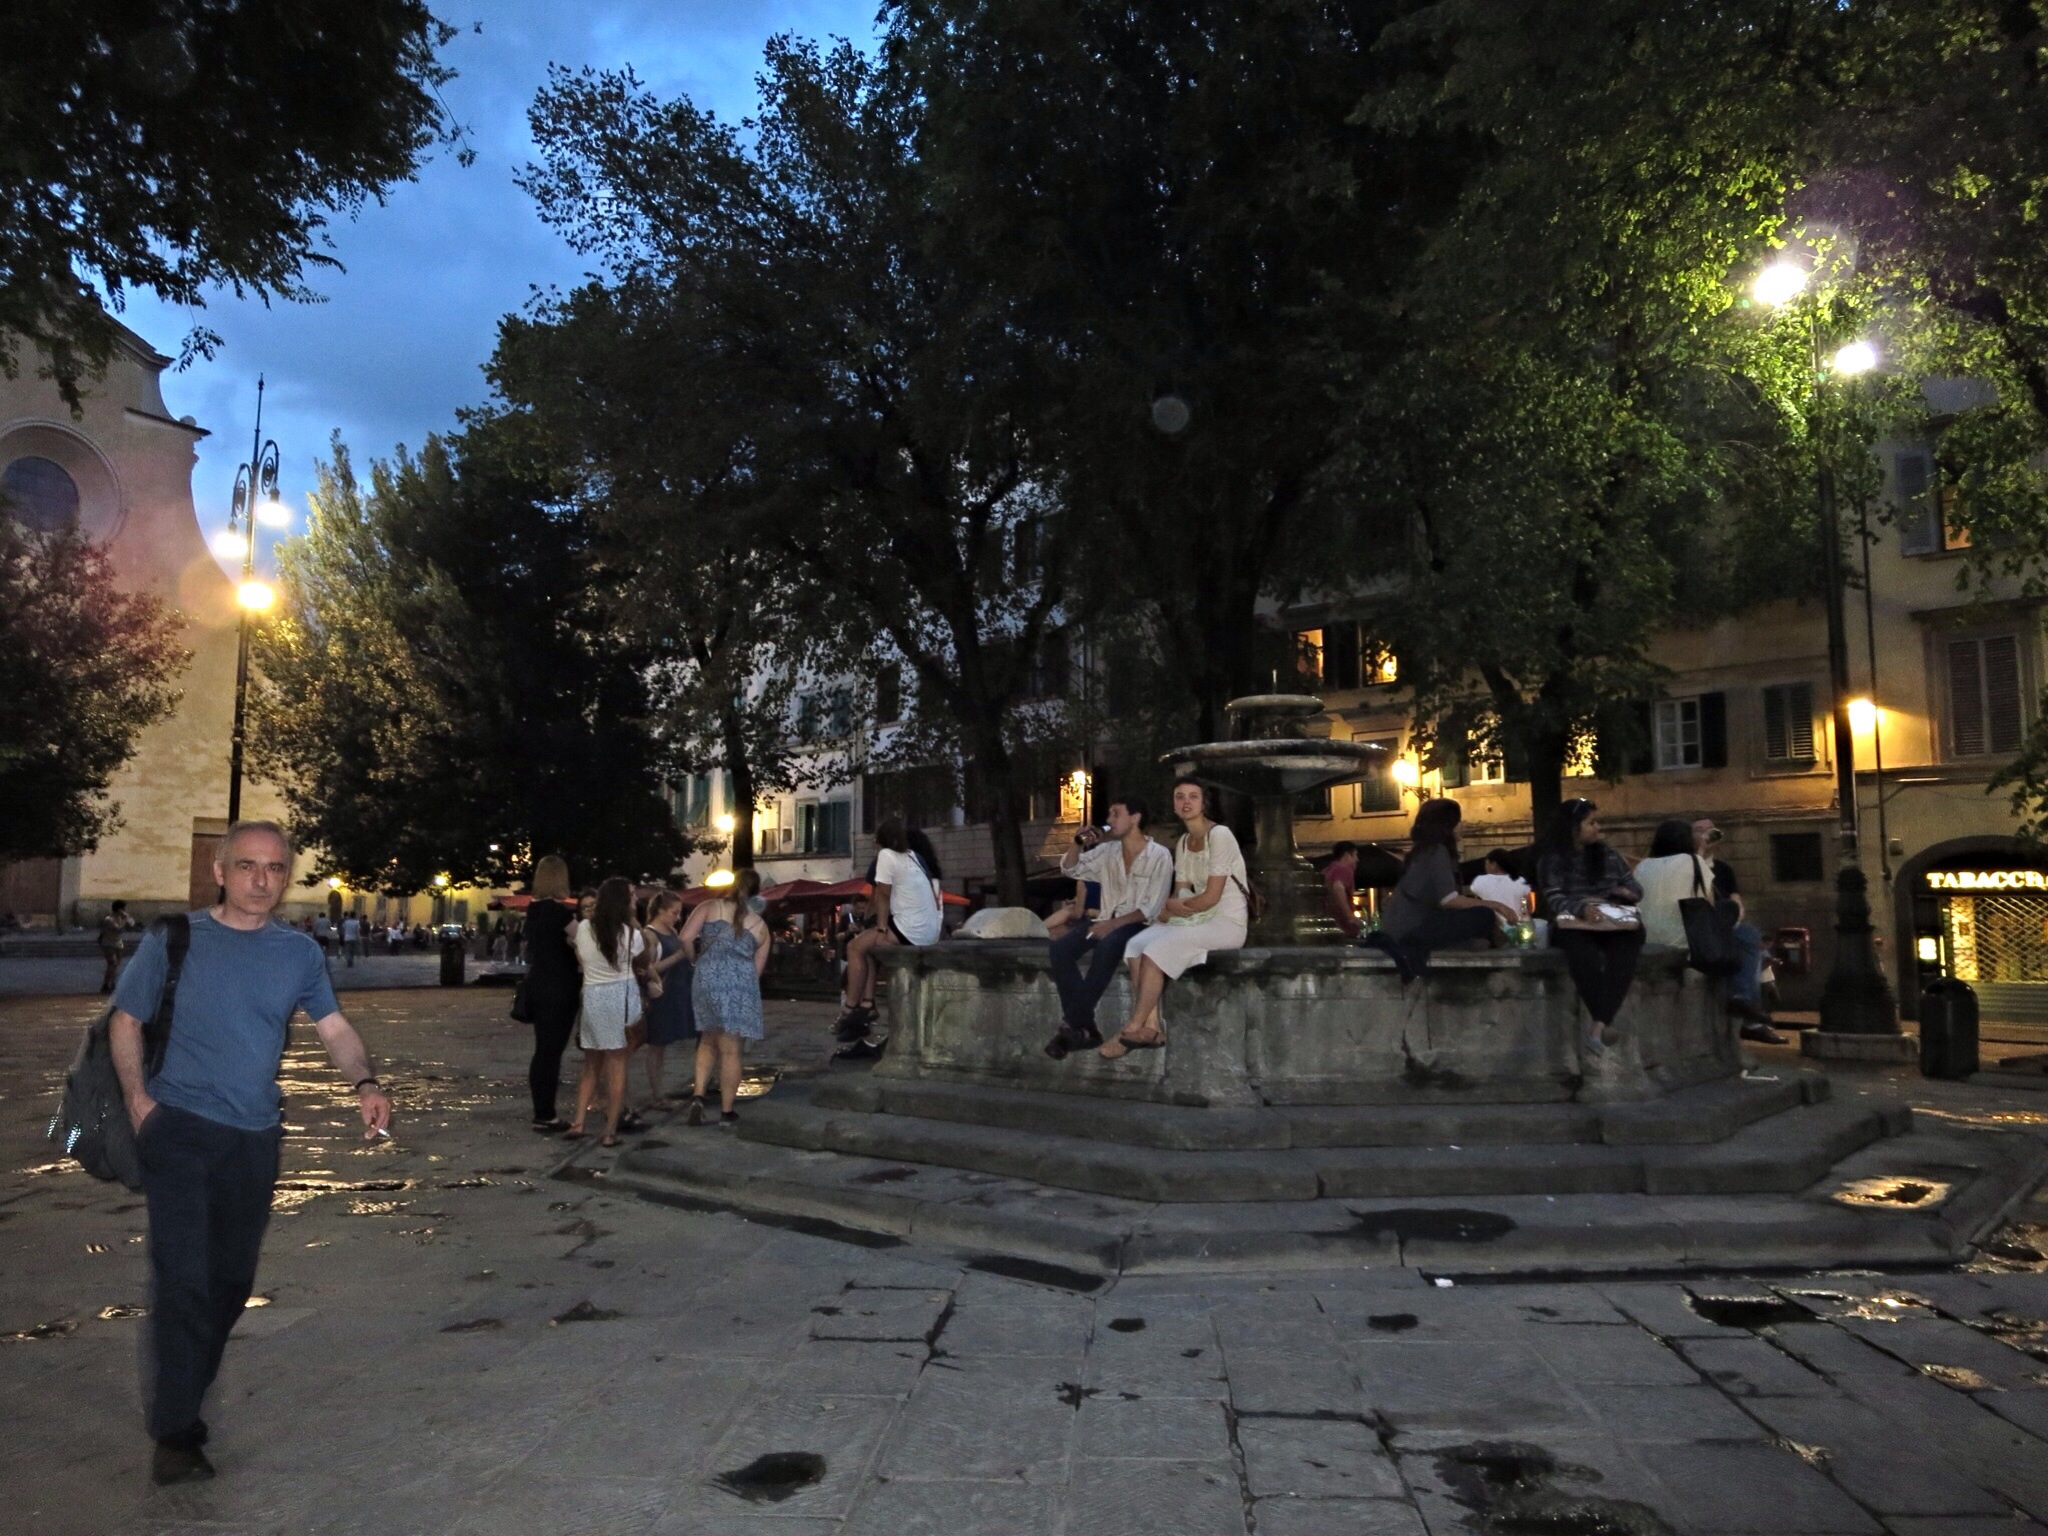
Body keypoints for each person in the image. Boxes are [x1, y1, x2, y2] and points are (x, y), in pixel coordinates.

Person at [108, 821, 391, 1485]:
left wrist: (365, 1082)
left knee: (231, 1283)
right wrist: (139, 1103)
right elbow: (126, 1020)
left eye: (275, 868)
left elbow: (335, 1028)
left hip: (255, 1137)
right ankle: (175, 1431)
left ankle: (183, 1393)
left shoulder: (298, 953)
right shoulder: (174, 938)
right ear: (220, 871)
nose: (262, 880)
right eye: (247, 866)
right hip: (178, 1128)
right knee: (183, 1279)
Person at [1100, 777, 1250, 1060]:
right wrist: (1170, 907)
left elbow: (1211, 897)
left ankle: (1131, 1028)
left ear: (1204, 803)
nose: (1186, 802)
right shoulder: (1182, 842)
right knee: (1136, 944)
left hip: (1225, 921)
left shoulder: (1220, 835)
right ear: (1174, 804)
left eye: (1193, 796)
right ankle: (1153, 1027)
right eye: (1179, 796)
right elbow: (1181, 890)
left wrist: (1174, 905)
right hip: (1196, 917)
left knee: (1156, 949)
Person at [1044, 795, 1174, 1057]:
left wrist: (1113, 925)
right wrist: (1077, 845)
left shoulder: (1159, 855)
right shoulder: (1108, 851)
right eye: (1109, 814)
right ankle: (1084, 1026)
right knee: (1060, 949)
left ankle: (1072, 1025)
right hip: (1105, 920)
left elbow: (1151, 907)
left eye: (1116, 814)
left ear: (1135, 818)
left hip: (1138, 924)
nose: (1109, 820)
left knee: (1108, 944)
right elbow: (1070, 870)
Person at [1536, 798, 1645, 1054]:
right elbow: (1554, 898)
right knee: (1582, 954)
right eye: (1591, 823)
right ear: (1573, 826)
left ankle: (1598, 1023)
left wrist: (1619, 893)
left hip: (1611, 919)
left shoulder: (1609, 855)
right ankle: (1602, 1022)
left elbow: (1636, 890)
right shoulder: (1552, 859)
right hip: (1574, 922)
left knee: (1627, 947)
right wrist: (1582, 907)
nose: (1598, 828)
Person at [834, 817, 944, 1059]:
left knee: (854, 947)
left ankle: (851, 1008)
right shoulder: (914, 856)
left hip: (910, 928)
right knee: (867, 946)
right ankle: (867, 1004)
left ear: (880, 840)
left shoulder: (886, 856)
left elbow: (882, 894)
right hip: (929, 929)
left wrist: (882, 929)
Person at [1372, 800, 1518, 977]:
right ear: (1447, 826)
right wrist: (1496, 905)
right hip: (1412, 930)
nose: (1463, 825)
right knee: (1484, 915)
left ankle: (1478, 942)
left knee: (1479, 919)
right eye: (1458, 821)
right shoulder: (1437, 852)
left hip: (1402, 929)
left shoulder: (1421, 852)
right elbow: (1449, 900)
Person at [682, 867, 772, 1127]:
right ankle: (726, 1111)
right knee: (731, 1050)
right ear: (756, 892)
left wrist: (695, 960)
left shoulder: (709, 907)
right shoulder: (761, 926)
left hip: (707, 977)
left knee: (707, 1040)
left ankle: (698, 1096)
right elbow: (757, 970)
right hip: (740, 984)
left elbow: (685, 937)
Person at [566, 876, 647, 1147]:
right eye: (632, 895)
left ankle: (578, 1122)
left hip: (593, 997)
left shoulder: (584, 928)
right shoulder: (631, 934)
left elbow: (582, 957)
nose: (636, 899)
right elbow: (642, 957)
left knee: (591, 1065)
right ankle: (610, 1131)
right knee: (617, 1066)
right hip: (620, 998)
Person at [1692, 817, 1786, 1042]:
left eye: (1711, 830)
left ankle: (1747, 1008)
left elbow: (1737, 902)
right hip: (1702, 927)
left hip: (1726, 924)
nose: (1706, 834)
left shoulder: (1724, 869)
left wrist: (1735, 919)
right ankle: (1752, 1021)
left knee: (1752, 940)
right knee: (1754, 945)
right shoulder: (1688, 865)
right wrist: (1700, 852)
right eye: (1699, 830)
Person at [522, 856, 582, 1133]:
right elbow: (583, 940)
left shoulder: (533, 910)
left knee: (543, 1050)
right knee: (552, 1052)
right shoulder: (559, 913)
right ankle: (546, 1114)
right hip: (560, 986)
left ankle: (542, 1110)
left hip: (538, 984)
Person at [639, 890, 698, 1105]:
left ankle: (661, 1092)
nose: (677, 917)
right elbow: (649, 968)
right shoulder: (650, 935)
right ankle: (657, 1095)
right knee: (657, 1045)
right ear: (661, 911)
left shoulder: (671, 930)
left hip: (677, 993)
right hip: (662, 996)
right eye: (674, 912)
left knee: (663, 1046)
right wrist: (678, 956)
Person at [1470, 849, 1531, 915]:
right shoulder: (1521, 880)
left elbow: (1474, 901)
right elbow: (1525, 904)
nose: (1485, 866)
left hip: (1493, 920)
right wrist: (1523, 914)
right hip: (1516, 920)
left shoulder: (1480, 880)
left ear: (1494, 864)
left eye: (1486, 863)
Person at [1322, 842, 1362, 939]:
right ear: (1347, 855)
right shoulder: (1344, 869)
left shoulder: (1326, 871)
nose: (1357, 860)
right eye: (1355, 855)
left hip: (1328, 927)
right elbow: (1338, 887)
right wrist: (1350, 917)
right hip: (1343, 928)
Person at [98, 899, 137, 993]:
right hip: (109, 942)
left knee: (116, 965)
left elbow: (132, 924)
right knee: (112, 962)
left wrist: (128, 919)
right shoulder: (109, 919)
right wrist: (125, 921)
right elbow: (118, 929)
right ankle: (106, 984)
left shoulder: (120, 918)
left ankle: (112, 983)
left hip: (118, 942)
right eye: (123, 909)